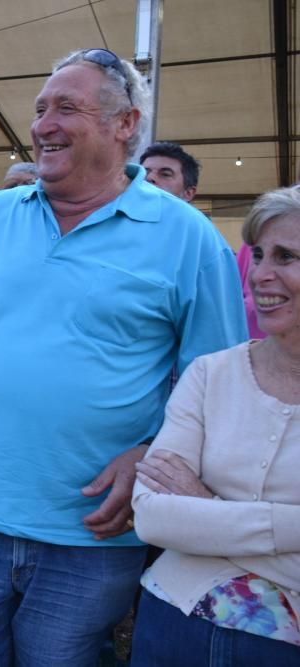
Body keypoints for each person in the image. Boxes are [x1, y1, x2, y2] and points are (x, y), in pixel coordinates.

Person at [0, 48, 248, 664]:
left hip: (89, 533)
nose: (43, 125)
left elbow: (218, 383)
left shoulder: (186, 237)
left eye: (67, 107)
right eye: (39, 110)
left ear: (126, 124)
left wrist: (152, 454)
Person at [130, 187, 300, 666]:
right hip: (172, 625)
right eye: (260, 253)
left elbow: (178, 517)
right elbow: (153, 516)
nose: (260, 273)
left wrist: (206, 508)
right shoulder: (211, 373)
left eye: (286, 256)